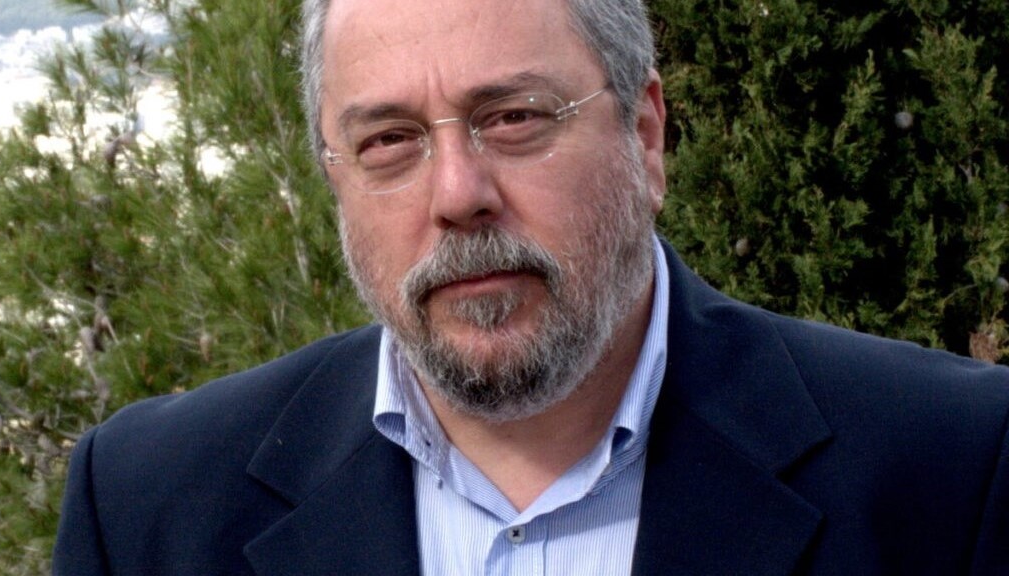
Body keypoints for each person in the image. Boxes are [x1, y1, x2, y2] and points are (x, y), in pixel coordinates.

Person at [53, 0, 1009, 574]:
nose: (457, 195)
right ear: (333, 177)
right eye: (389, 141)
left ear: (645, 136)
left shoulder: (951, 471)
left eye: (513, 118)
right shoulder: (149, 508)